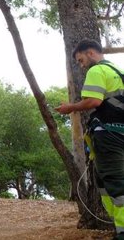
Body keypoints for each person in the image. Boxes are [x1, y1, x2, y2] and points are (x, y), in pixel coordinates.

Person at [56, 39, 124, 240]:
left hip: (109, 137)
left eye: (80, 59)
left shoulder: (97, 71)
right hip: (120, 134)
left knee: (116, 184)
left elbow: (94, 101)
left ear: (91, 53)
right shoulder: (118, 71)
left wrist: (70, 108)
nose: (81, 65)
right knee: (105, 183)